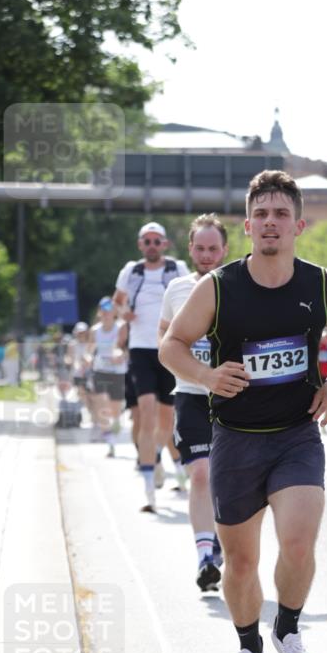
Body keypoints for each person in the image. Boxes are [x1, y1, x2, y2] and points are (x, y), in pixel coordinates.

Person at [160, 170, 327, 653]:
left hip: (296, 435)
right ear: (248, 225)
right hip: (237, 439)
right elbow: (172, 345)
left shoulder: (321, 283)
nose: (271, 223)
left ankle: (289, 632)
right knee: (242, 563)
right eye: (262, 214)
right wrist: (204, 376)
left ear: (299, 225)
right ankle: (248, 649)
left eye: (281, 214)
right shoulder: (219, 286)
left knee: (298, 541)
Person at [158, 214, 229, 591]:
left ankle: (220, 539)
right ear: (190, 249)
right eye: (199, 248)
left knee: (228, 480)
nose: (206, 255)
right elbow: (164, 333)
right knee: (200, 474)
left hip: (233, 398)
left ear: (225, 249)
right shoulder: (177, 289)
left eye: (212, 248)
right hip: (189, 394)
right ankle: (204, 556)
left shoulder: (239, 285)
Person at [113, 222, 188, 511]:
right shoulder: (131, 271)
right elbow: (117, 301)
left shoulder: (177, 268)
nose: (152, 245)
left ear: (165, 244)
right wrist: (123, 312)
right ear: (140, 244)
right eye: (147, 241)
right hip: (140, 349)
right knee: (144, 415)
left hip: (168, 349)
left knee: (167, 423)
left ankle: (157, 458)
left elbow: (191, 297)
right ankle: (148, 493)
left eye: (157, 241)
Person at [87, 297, 128, 457]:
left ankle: (116, 422)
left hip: (117, 372)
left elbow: (125, 349)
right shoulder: (95, 330)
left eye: (109, 310)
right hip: (100, 371)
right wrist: (87, 358)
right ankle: (110, 442)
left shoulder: (120, 328)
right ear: (100, 313)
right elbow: (89, 350)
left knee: (114, 409)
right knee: (100, 405)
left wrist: (120, 356)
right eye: (103, 310)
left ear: (114, 313)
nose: (106, 313)